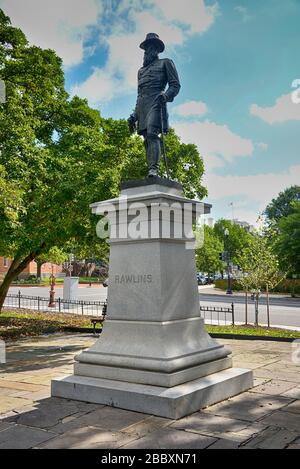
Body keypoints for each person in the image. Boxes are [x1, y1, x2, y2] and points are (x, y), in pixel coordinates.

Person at [128, 33, 181, 177]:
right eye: (145, 48)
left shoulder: (166, 62)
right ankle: (150, 168)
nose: (146, 51)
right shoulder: (141, 71)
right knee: (146, 138)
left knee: (152, 133)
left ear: (157, 49)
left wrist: (166, 95)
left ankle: (154, 169)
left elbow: (175, 85)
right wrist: (134, 114)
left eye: (150, 47)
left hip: (157, 101)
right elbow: (139, 94)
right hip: (142, 106)